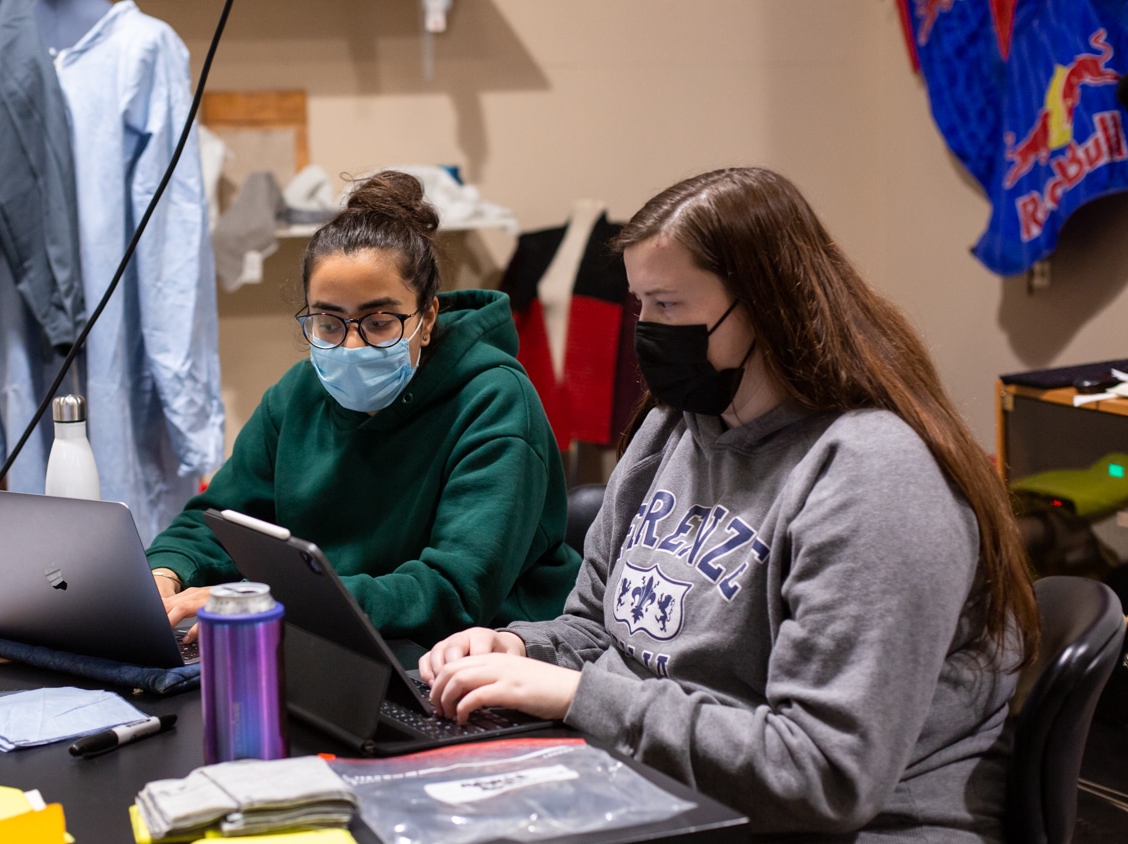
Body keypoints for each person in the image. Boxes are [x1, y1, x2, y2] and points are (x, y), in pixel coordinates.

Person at [420, 167, 1040, 841]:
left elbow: (823, 777)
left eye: (670, 306)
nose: (647, 332)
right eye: (641, 306)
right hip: (669, 792)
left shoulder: (874, 478)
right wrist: (518, 648)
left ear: (764, 306)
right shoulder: (673, 427)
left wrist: (578, 697)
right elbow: (598, 629)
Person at [146, 170, 581, 646]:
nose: (352, 346)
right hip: (336, 635)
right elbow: (217, 521)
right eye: (329, 323)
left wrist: (265, 601)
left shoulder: (493, 402)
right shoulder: (298, 396)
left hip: (482, 653)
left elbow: (453, 592)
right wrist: (166, 573)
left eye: (378, 322)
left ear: (428, 316)